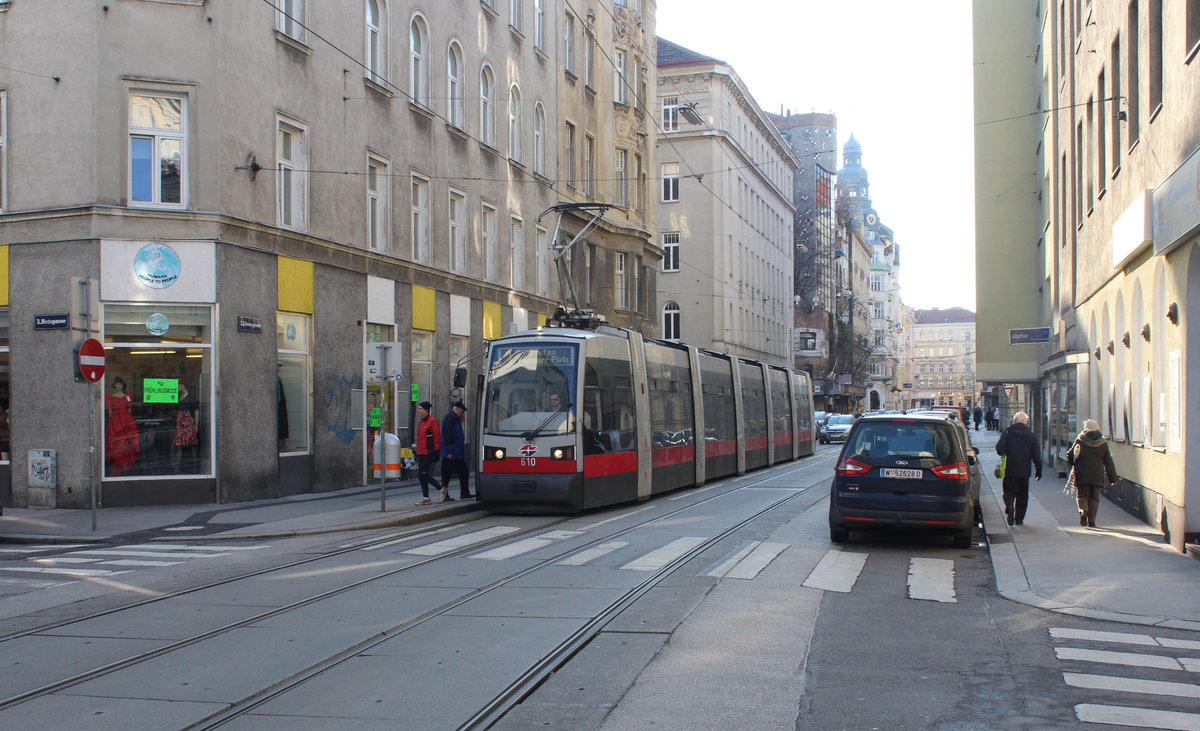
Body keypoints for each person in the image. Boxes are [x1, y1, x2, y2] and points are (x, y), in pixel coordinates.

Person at [1067, 419, 1118, 527]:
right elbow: (1108, 462)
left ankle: (1083, 510)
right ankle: (1092, 521)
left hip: (1082, 474)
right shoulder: (1103, 443)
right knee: (1094, 498)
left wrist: (1073, 462)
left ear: (1086, 428)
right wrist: (1112, 478)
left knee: (1082, 495)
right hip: (1097, 475)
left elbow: (1070, 456)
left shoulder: (1080, 440)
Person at [995, 411, 1042, 526]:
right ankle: (1019, 519)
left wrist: (1006, 451)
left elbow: (999, 449)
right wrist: (1038, 470)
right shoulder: (1031, 435)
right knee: (1023, 495)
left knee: (1008, 491)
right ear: (1026, 422)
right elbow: (1036, 455)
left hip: (1010, 469)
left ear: (1014, 421)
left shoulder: (1007, 433)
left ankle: (1010, 505)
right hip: (1024, 470)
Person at [413, 401, 449, 504]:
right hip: (421, 451)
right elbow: (420, 439)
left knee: (423, 473)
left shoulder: (432, 421)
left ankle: (441, 489)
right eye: (418, 409)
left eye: (420, 409)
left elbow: (437, 437)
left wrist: (436, 451)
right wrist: (416, 450)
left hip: (429, 451)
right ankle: (426, 498)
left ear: (426, 410)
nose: (418, 411)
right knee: (421, 475)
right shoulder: (420, 423)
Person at [106, 376, 140, 476]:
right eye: (117, 384)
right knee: (116, 442)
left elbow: (129, 410)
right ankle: (117, 465)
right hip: (115, 420)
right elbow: (109, 411)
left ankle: (126, 464)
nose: (118, 386)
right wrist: (111, 423)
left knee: (127, 442)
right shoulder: (110, 397)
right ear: (114, 385)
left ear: (122, 385)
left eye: (120, 384)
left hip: (126, 420)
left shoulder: (127, 396)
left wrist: (130, 422)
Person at [440, 400, 473, 500]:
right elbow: (448, 436)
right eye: (462, 412)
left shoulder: (455, 419)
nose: (462, 414)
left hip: (457, 453)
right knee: (447, 475)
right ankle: (445, 495)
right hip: (451, 453)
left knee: (463, 473)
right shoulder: (450, 419)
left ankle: (464, 493)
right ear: (457, 409)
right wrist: (449, 451)